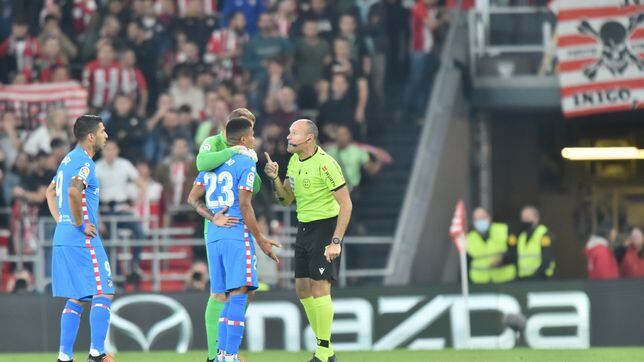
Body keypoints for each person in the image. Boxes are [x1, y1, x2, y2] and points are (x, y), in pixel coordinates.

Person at [188, 118, 280, 362]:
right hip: (237, 233)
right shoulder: (244, 162)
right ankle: (228, 355)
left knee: (223, 294)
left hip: (215, 235)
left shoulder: (213, 164)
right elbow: (245, 204)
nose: (254, 139)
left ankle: (220, 355)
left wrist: (211, 217)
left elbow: (192, 197)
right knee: (239, 293)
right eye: (252, 136)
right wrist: (260, 238)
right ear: (243, 139)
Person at [265, 119, 352, 362]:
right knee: (302, 289)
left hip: (325, 228)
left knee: (320, 287)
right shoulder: (293, 161)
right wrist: (274, 178)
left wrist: (336, 241)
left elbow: (346, 204)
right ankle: (327, 350)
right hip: (303, 228)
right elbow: (285, 200)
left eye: (294, 133)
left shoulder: (326, 164)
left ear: (309, 138)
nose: (288, 137)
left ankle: (323, 352)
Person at [44, 115, 114, 362]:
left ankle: (64, 357)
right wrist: (79, 223)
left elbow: (50, 192)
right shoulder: (85, 162)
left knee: (78, 297)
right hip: (80, 238)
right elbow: (74, 190)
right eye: (103, 131)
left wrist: (63, 220)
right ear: (92, 136)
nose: (107, 136)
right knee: (104, 291)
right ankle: (97, 353)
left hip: (63, 236)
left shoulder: (66, 160)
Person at [465, 207, 516, 284]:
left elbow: (515, 252)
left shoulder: (503, 230)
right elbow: (465, 262)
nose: (480, 221)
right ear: (473, 222)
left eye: (483, 217)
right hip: (479, 282)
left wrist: (502, 259)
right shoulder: (468, 238)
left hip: (505, 280)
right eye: (477, 219)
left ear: (489, 217)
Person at [515, 205, 555, 280]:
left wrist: (536, 275)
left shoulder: (544, 234)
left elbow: (547, 259)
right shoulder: (522, 236)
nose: (525, 221)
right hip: (523, 279)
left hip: (541, 278)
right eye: (523, 218)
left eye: (528, 218)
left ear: (536, 218)